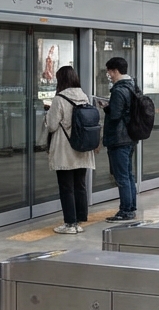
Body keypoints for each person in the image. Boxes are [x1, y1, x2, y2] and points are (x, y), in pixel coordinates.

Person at [43, 65, 95, 234]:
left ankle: (70, 224)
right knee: (80, 184)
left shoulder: (59, 99)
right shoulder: (83, 96)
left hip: (65, 149)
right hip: (83, 147)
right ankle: (80, 218)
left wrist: (48, 111)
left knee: (66, 187)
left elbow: (51, 125)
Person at [101, 57, 137, 222]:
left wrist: (106, 108)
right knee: (128, 174)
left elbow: (115, 115)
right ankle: (131, 207)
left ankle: (125, 211)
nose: (109, 75)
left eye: (109, 72)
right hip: (130, 137)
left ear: (115, 71)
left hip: (118, 138)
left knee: (121, 176)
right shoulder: (133, 86)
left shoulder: (118, 90)